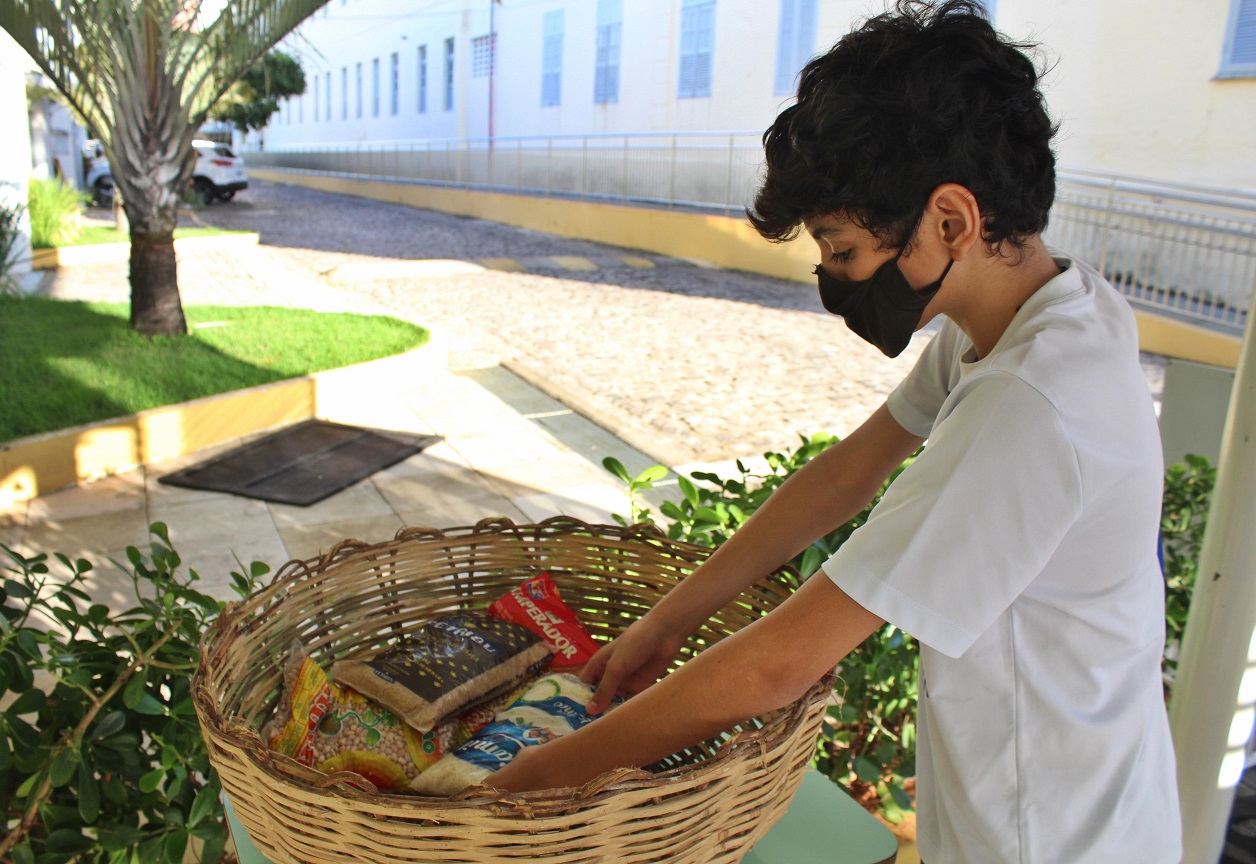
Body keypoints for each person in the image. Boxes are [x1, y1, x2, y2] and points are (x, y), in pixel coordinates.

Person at [486, 2, 1183, 861]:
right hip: (1073, 795)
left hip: (1052, 836)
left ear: (952, 222)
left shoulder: (1031, 408)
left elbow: (777, 664)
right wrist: (665, 623)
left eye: (844, 251)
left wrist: (528, 780)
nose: (834, 280)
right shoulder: (1034, 316)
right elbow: (843, 477)